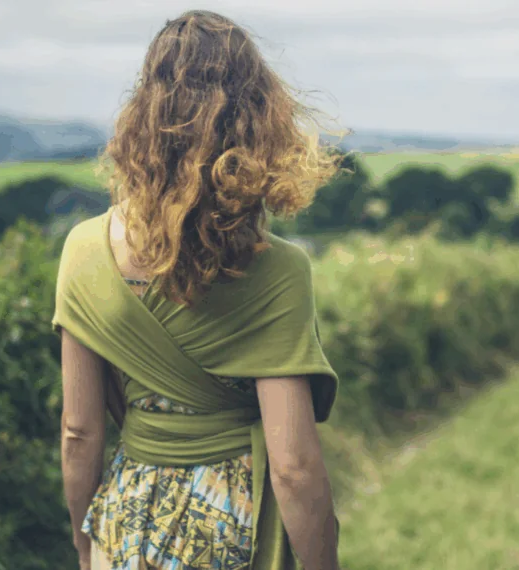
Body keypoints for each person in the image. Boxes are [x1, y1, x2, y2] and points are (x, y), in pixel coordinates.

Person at [51, 10, 344, 570]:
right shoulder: (277, 270)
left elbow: (79, 431)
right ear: (259, 120)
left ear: (143, 115)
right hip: (234, 525)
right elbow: (293, 467)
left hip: (128, 523)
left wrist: (85, 540)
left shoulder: (84, 250)